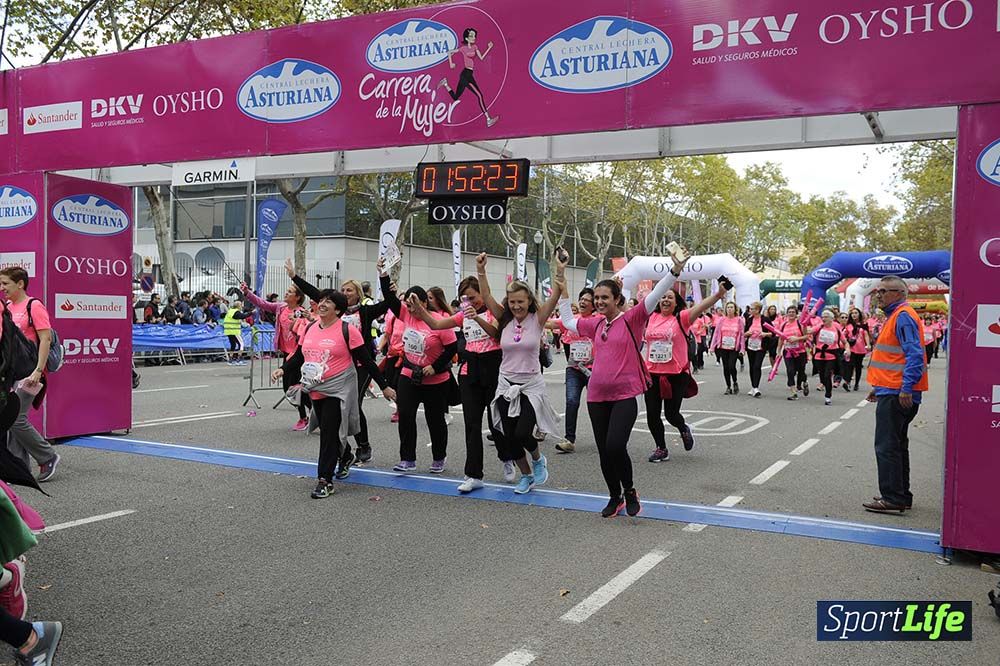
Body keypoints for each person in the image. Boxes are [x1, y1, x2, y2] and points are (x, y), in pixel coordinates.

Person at [557, 253, 685, 518]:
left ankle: (629, 490)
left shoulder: (633, 318)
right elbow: (569, 322)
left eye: (605, 297)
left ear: (617, 299)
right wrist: (562, 283)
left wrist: (674, 270)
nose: (600, 302)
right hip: (596, 396)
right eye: (597, 298)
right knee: (604, 452)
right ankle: (614, 497)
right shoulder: (595, 324)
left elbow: (656, 293)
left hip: (624, 395)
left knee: (616, 446)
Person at [273, 289, 395, 498]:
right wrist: (283, 369)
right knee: (328, 429)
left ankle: (324, 480)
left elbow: (366, 361)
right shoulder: (310, 327)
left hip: (338, 389)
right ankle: (346, 455)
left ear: (337, 309)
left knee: (328, 434)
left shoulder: (348, 330)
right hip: (315, 388)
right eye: (321, 301)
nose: (322, 304)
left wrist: (384, 386)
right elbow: (300, 356)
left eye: (328, 302)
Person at [408, 273, 514, 491]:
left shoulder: (494, 313)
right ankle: (473, 474)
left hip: (493, 368)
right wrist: (421, 310)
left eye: (473, 297)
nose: (469, 302)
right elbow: (436, 324)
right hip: (469, 370)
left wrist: (477, 317)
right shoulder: (461, 316)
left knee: (496, 422)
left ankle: (507, 457)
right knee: (472, 424)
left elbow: (497, 336)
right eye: (464, 298)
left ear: (482, 295)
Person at [288, 261, 394, 466]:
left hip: (360, 367)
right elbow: (314, 293)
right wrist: (294, 277)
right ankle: (342, 450)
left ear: (357, 294)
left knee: (354, 404)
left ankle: (363, 444)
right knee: (332, 415)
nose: (345, 293)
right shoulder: (334, 310)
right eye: (343, 290)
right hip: (334, 368)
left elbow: (389, 302)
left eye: (349, 290)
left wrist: (384, 277)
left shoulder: (365, 311)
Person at [478, 253, 561, 494]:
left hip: (530, 386)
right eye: (512, 302)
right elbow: (486, 297)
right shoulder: (504, 319)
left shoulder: (538, 319)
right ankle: (526, 475)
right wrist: (481, 270)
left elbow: (554, 296)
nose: (516, 306)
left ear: (529, 301)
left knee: (523, 433)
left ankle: (537, 460)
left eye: (520, 302)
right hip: (506, 384)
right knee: (507, 436)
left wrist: (560, 271)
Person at [863, 277, 928, 514]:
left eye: (883, 291)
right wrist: (879, 387)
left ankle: (892, 497)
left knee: (887, 445)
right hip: (890, 389)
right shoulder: (897, 316)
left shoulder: (902, 316)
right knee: (898, 445)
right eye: (877, 291)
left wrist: (906, 388)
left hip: (898, 393)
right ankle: (901, 495)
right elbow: (893, 358)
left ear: (899, 293)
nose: (878, 295)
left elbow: (915, 356)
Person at [383, 274, 458, 474]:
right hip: (409, 374)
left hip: (435, 378)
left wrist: (435, 366)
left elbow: (451, 349)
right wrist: (384, 276)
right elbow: (390, 300)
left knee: (435, 420)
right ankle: (407, 458)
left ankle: (439, 457)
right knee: (406, 415)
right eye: (408, 304)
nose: (411, 308)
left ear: (425, 302)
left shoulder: (439, 322)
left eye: (415, 303)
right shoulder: (406, 316)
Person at [644, 280, 726, 463]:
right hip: (652, 373)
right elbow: (628, 313)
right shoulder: (651, 317)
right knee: (652, 413)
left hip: (676, 374)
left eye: (670, 298)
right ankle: (661, 448)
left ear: (676, 302)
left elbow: (700, 307)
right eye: (663, 297)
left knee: (671, 414)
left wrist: (718, 295)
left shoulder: (681, 318)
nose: (665, 300)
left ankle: (683, 428)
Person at [0, 268, 60, 482]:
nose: (2, 288)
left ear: (20, 284)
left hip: (32, 372)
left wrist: (38, 370)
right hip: (13, 372)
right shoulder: (7, 307)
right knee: (11, 419)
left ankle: (48, 456)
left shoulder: (33, 305)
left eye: (6, 283)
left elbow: (46, 340)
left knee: (16, 419)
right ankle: (19, 468)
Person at [241, 279, 311, 430]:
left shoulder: (302, 312)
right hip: (286, 353)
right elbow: (262, 304)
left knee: (296, 387)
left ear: (298, 297)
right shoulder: (281, 307)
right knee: (289, 388)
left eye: (290, 291)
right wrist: (247, 293)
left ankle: (307, 416)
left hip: (299, 354)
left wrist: (302, 319)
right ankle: (310, 414)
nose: (286, 293)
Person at [552, 288, 595, 454]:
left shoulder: (599, 320)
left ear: (594, 305)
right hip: (574, 368)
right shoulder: (572, 320)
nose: (583, 302)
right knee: (571, 401)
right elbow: (552, 323)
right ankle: (569, 439)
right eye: (581, 299)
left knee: (598, 405)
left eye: (587, 300)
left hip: (594, 370)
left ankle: (606, 435)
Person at [438, 28, 499, 127]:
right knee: (479, 95)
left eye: (474, 36)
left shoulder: (475, 47)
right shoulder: (463, 48)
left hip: (468, 74)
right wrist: (451, 63)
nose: (474, 38)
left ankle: (445, 84)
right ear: (466, 38)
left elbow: (482, 58)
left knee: (455, 97)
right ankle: (488, 119)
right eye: (471, 36)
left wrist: (489, 48)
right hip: (466, 75)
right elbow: (449, 52)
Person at [775, 305, 810, 401]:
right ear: (786, 314)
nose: (791, 314)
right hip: (788, 351)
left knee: (801, 371)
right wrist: (779, 351)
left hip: (800, 352)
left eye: (793, 312)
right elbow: (781, 338)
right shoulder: (783, 325)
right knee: (790, 371)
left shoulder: (800, 324)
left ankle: (805, 382)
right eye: (789, 312)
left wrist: (797, 339)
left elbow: (807, 336)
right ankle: (794, 392)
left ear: (796, 314)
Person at [811, 309, 846, 406]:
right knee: (822, 377)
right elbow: (809, 331)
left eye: (826, 316)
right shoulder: (819, 327)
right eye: (822, 316)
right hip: (819, 355)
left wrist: (848, 350)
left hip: (831, 356)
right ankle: (825, 385)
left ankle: (828, 396)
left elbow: (845, 341)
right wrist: (804, 324)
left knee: (827, 375)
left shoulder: (836, 328)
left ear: (831, 318)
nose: (823, 318)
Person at [710, 302, 744, 395]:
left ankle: (735, 381)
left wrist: (742, 349)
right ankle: (728, 386)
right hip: (723, 347)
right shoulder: (721, 320)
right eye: (728, 307)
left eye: (731, 307)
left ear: (735, 309)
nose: (729, 309)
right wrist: (712, 347)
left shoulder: (739, 320)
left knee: (731, 366)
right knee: (725, 367)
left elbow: (741, 335)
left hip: (734, 347)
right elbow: (716, 333)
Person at [743, 302, 771, 398]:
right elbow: (744, 332)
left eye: (752, 309)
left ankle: (756, 387)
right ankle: (753, 387)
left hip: (761, 346)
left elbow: (773, 332)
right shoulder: (749, 319)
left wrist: (765, 334)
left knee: (757, 365)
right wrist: (747, 333)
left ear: (758, 310)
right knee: (751, 366)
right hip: (751, 345)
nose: (750, 310)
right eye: (750, 309)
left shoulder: (765, 319)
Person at [842, 307, 871, 392]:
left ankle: (856, 383)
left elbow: (866, 335)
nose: (854, 315)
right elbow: (844, 335)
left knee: (858, 366)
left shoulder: (863, 325)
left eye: (856, 313)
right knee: (850, 365)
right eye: (852, 313)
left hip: (861, 349)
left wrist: (868, 344)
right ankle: (847, 382)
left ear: (859, 315)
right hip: (851, 348)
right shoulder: (848, 325)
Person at [222, 299, 250, 366]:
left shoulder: (230, 311)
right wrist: (251, 313)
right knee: (241, 344)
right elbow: (243, 316)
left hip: (228, 330)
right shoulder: (236, 312)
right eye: (241, 305)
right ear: (238, 306)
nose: (242, 306)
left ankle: (230, 359)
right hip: (234, 330)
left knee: (233, 345)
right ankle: (239, 359)